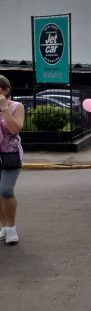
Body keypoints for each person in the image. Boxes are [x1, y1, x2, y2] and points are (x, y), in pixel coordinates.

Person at [0, 76, 24, 245]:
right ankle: (4, 226)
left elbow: (15, 128)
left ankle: (11, 227)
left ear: (5, 90)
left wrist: (4, 109)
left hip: (10, 154)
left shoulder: (16, 106)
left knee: (6, 190)